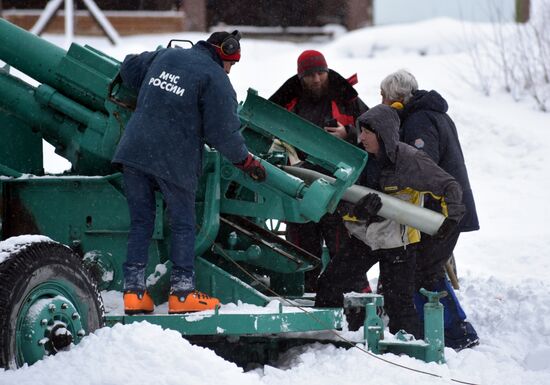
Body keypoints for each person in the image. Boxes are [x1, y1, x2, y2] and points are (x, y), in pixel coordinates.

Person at [112, 30, 266, 315]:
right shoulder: (215, 78)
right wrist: (246, 163)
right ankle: (182, 294)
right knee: (183, 223)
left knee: (141, 222)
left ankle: (133, 294)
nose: (230, 70)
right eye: (231, 63)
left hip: (134, 150)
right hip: (173, 158)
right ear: (224, 52)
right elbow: (223, 134)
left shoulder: (167, 55)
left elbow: (129, 67)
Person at [317, 104, 465, 337]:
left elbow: (449, 186)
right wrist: (359, 212)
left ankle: (413, 357)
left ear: (383, 133)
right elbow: (341, 200)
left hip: (399, 244)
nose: (361, 137)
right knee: (329, 284)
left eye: (367, 132)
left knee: (400, 308)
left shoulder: (411, 161)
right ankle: (322, 336)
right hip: (366, 238)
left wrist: (451, 219)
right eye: (361, 131)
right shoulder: (360, 158)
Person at [380, 69, 479, 349]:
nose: (383, 104)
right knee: (427, 267)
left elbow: (422, 166)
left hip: (441, 210)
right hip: (452, 205)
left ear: (397, 99)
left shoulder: (418, 122)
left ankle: (456, 332)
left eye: (384, 98)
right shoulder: (435, 113)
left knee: (426, 269)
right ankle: (444, 327)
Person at [269, 50, 369, 292]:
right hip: (298, 189)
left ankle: (354, 298)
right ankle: (309, 296)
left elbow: (375, 128)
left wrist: (349, 133)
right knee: (303, 252)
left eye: (321, 73)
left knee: (342, 251)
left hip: (339, 189)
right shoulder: (286, 100)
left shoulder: (347, 98)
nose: (316, 80)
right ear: (300, 77)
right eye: (310, 75)